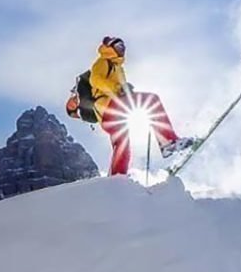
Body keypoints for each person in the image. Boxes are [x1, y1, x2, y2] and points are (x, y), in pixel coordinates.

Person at [66, 37, 193, 176]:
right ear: (110, 48)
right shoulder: (103, 61)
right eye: (119, 46)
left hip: (107, 117)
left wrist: (125, 90)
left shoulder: (118, 68)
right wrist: (118, 88)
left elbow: (120, 89)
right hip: (108, 105)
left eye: (123, 47)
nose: (122, 50)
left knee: (122, 147)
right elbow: (96, 80)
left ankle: (116, 178)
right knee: (152, 101)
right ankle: (168, 143)